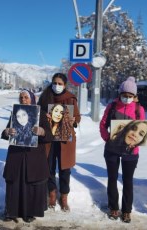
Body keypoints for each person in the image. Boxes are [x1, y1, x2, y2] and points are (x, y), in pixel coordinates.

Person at [99, 76, 146, 223]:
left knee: (128, 180)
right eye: (124, 95)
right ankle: (113, 206)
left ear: (134, 96)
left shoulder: (139, 109)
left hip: (131, 152)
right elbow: (102, 125)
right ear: (120, 94)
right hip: (112, 149)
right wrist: (108, 138)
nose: (127, 98)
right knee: (112, 178)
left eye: (130, 96)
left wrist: (136, 143)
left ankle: (126, 210)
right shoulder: (112, 106)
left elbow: (143, 130)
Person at [1, 89, 53, 222]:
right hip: (16, 155)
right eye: (21, 97)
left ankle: (30, 212)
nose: (23, 100)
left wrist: (42, 132)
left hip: (34, 156)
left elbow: (49, 135)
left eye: (26, 97)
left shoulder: (40, 114)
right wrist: (7, 132)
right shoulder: (15, 113)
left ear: (32, 99)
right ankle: (11, 212)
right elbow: (6, 132)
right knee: (15, 184)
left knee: (31, 184)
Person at [37, 73, 81, 212]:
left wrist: (74, 120)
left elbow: (78, 117)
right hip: (49, 140)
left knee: (65, 170)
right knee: (49, 168)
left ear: (65, 85)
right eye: (55, 83)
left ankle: (64, 197)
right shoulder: (45, 97)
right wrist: (45, 117)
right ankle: (52, 193)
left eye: (60, 83)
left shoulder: (70, 98)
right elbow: (37, 114)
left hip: (65, 141)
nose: (57, 86)